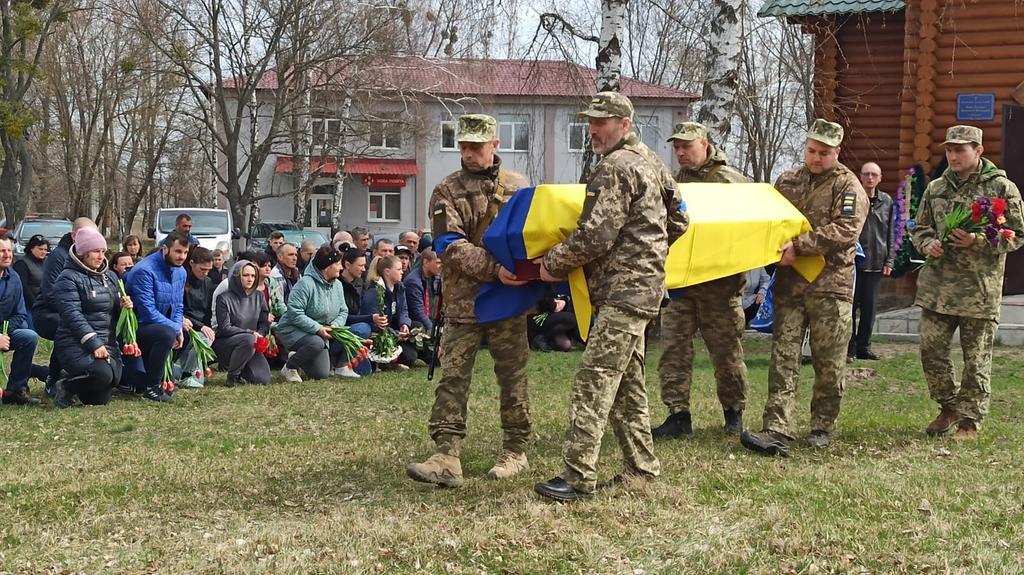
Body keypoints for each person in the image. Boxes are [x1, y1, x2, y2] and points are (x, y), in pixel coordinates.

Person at [531, 92, 687, 502]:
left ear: (624, 123)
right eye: (590, 121)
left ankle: (578, 476)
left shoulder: (615, 167)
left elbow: (596, 234)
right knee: (626, 383)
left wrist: (554, 263)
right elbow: (681, 220)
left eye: (601, 122)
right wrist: (647, 251)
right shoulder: (652, 162)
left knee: (594, 378)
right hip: (644, 289)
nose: (592, 130)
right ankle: (642, 470)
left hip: (623, 292)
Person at [406, 113, 533, 488]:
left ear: (495, 145)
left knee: (513, 377)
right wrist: (496, 270)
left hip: (509, 299)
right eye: (463, 145)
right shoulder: (447, 190)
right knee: (453, 377)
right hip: (465, 301)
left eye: (476, 146)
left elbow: (533, 233)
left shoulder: (518, 186)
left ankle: (515, 449)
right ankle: (446, 453)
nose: (468, 153)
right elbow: (449, 245)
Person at [740, 119, 868, 457]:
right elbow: (770, 220)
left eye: (824, 153)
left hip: (831, 287)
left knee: (828, 362)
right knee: (783, 358)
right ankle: (776, 428)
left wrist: (801, 245)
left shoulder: (848, 186)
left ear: (837, 152)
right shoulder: (788, 181)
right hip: (791, 285)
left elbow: (846, 230)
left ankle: (822, 426)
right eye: (811, 150)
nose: (816, 158)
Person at [911, 125, 1024, 441]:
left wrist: (978, 239)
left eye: (960, 149)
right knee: (931, 350)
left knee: (976, 361)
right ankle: (949, 406)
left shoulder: (1002, 188)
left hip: (978, 291)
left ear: (979, 151)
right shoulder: (935, 188)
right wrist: (928, 242)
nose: (953, 155)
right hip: (937, 288)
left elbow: (1016, 234)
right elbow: (919, 229)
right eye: (949, 149)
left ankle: (969, 422)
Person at [651, 122, 752, 439]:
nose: (680, 152)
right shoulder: (673, 183)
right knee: (674, 354)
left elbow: (748, 230)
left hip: (720, 289)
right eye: (677, 147)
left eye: (687, 146)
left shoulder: (732, 182)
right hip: (681, 288)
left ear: (705, 144)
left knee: (727, 355)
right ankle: (678, 415)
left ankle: (733, 414)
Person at [50, 229, 127, 407]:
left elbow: (111, 313)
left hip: (107, 342)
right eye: (95, 251)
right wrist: (94, 343)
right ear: (82, 253)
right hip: (75, 343)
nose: (100, 256)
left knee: (104, 392)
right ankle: (66, 386)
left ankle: (76, 380)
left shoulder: (110, 277)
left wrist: (123, 307)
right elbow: (72, 316)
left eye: (102, 251)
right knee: (103, 375)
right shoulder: (67, 279)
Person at [33, 217, 97, 397]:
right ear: (74, 235)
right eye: (87, 236)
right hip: (48, 312)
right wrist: (76, 309)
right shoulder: (58, 257)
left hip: (75, 310)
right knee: (69, 327)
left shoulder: (88, 257)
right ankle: (52, 380)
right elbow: (50, 294)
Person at [123, 231, 189, 402]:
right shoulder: (144, 271)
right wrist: (174, 329)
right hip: (140, 327)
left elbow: (178, 305)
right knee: (168, 333)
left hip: (161, 326)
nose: (182, 257)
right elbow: (147, 312)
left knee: (185, 333)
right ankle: (152, 387)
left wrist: (178, 327)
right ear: (165, 249)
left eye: (185, 252)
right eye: (178, 252)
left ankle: (159, 377)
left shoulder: (181, 272)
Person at [276, 245, 349, 382]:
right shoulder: (306, 284)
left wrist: (335, 325)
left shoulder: (338, 285)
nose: (341, 267)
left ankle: (299, 356)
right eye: (338, 264)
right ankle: (289, 367)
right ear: (326, 266)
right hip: (294, 329)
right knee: (316, 343)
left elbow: (343, 310)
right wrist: (317, 328)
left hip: (321, 333)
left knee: (320, 374)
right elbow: (295, 312)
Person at [849, 162, 895, 361]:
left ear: (880, 178)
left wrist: (890, 261)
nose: (869, 178)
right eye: (866, 174)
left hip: (876, 262)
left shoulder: (887, 202)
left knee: (869, 309)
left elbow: (892, 232)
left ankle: (864, 348)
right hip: (853, 263)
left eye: (873, 175)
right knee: (849, 309)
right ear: (860, 176)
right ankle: (849, 348)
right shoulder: (851, 197)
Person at [0, 237, 48, 406]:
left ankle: (16, 390)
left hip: (4, 332)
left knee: (28, 336)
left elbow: (20, 314)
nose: (7, 255)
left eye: (9, 251)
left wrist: (3, 334)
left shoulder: (13, 278)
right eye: (2, 251)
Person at [214, 261, 272, 386]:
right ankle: (232, 377)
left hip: (252, 343)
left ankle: (241, 370)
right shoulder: (224, 298)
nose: (250, 279)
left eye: (253, 276)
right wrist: (250, 333)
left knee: (263, 379)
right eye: (245, 275)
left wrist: (261, 334)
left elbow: (263, 321)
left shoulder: (259, 296)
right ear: (237, 276)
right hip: (227, 343)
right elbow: (224, 328)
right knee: (248, 339)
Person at [361, 255, 423, 368]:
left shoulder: (399, 287)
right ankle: (385, 362)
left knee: (417, 326)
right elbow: (374, 323)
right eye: (398, 269)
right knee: (409, 356)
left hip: (395, 329)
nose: (402, 272)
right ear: (387, 272)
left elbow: (404, 310)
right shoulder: (374, 292)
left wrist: (404, 324)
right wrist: (394, 333)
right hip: (381, 334)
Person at [179, 246, 217, 388]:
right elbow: (181, 310)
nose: (206, 273)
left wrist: (207, 325)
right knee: (203, 340)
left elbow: (208, 309)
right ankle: (187, 374)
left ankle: (186, 372)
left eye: (208, 270)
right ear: (192, 263)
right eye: (202, 269)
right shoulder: (182, 280)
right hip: (186, 323)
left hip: (202, 325)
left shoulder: (207, 282)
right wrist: (201, 326)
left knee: (205, 338)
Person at [338, 247, 377, 377]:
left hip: (358, 329)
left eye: (364, 265)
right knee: (363, 328)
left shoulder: (360, 283)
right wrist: (370, 318)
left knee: (367, 370)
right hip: (343, 330)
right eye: (360, 265)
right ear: (347, 265)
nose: (364, 269)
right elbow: (344, 317)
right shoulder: (338, 285)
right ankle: (340, 363)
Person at [12, 234, 48, 322]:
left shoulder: (47, 262)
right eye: (40, 249)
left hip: (44, 303)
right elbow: (23, 287)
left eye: (45, 250)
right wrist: (34, 303)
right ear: (31, 248)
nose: (43, 252)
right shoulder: (22, 263)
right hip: (28, 305)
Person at [403, 248, 441, 332]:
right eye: (438, 262)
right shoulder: (413, 282)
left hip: (430, 321)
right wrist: (434, 331)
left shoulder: (433, 278)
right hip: (416, 327)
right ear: (426, 262)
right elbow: (418, 313)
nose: (441, 266)